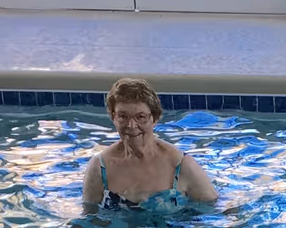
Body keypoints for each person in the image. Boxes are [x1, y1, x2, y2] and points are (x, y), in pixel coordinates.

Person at [81, 77, 217, 212]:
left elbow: (212, 212)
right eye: (123, 116)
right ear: (113, 117)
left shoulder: (182, 166)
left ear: (154, 119)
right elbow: (89, 219)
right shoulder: (99, 167)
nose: (132, 125)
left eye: (140, 117)